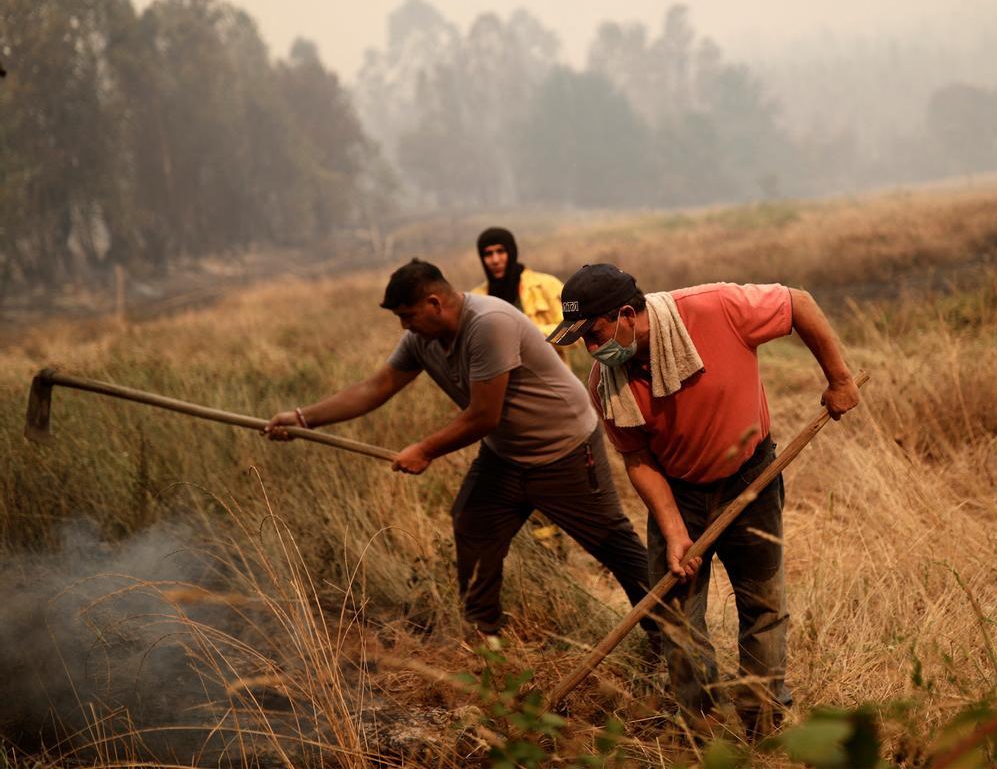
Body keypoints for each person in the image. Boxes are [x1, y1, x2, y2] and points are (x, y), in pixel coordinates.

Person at [265, 259, 656, 641]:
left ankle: (667, 631)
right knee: (472, 524)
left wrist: (424, 449)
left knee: (613, 544)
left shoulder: (489, 324)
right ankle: (483, 632)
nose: (404, 325)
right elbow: (375, 388)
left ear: (435, 303)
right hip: (505, 455)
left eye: (407, 314)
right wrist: (302, 419)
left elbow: (484, 415)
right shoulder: (421, 340)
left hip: (565, 450)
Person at [546, 264, 859, 738]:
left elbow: (799, 304)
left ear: (628, 314)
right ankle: (703, 724)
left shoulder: (717, 307)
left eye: (595, 334)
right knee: (675, 616)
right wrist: (673, 530)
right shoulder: (605, 383)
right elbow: (637, 458)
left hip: (751, 478)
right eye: (584, 340)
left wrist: (839, 378)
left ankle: (763, 721)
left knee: (764, 606)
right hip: (677, 493)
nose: (592, 350)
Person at [471, 227, 571, 360]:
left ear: (512, 252)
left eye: (501, 251)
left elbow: (574, 331)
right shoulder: (477, 299)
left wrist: (532, 334)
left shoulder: (546, 286)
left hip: (548, 376)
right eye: (488, 254)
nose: (495, 260)